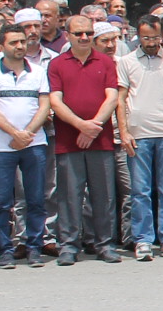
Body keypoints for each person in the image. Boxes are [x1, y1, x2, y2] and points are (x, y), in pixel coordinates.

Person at [0, 20, 53, 268]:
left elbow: (44, 106)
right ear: (0, 45)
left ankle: (34, 247)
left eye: (23, 41)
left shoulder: (38, 72)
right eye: (14, 42)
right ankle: (6, 250)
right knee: (1, 201)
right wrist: (13, 133)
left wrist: (27, 133)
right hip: (2, 147)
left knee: (36, 199)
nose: (21, 46)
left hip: (34, 144)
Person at [47, 14, 121, 265]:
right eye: (78, 33)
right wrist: (81, 126)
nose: (84, 38)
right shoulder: (57, 64)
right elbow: (55, 100)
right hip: (69, 140)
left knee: (104, 195)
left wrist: (94, 127)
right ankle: (68, 245)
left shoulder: (106, 62)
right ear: (67, 35)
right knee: (69, 195)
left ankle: (104, 244)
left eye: (88, 33)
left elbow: (112, 97)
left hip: (101, 140)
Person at [116, 15, 163, 261]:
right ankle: (143, 240)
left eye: (155, 38)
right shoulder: (126, 62)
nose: (151, 42)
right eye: (146, 38)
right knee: (140, 191)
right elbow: (121, 98)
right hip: (139, 133)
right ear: (139, 37)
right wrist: (123, 131)